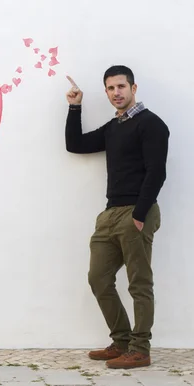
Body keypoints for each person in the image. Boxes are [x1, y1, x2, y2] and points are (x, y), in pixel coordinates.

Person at [65, 66, 169, 369]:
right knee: (98, 278)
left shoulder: (151, 124)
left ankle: (140, 349)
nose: (116, 93)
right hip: (110, 214)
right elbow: (76, 145)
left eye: (121, 86)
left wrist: (139, 214)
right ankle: (121, 341)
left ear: (133, 88)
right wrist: (75, 106)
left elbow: (157, 172)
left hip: (138, 211)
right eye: (110, 88)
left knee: (139, 283)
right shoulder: (114, 128)